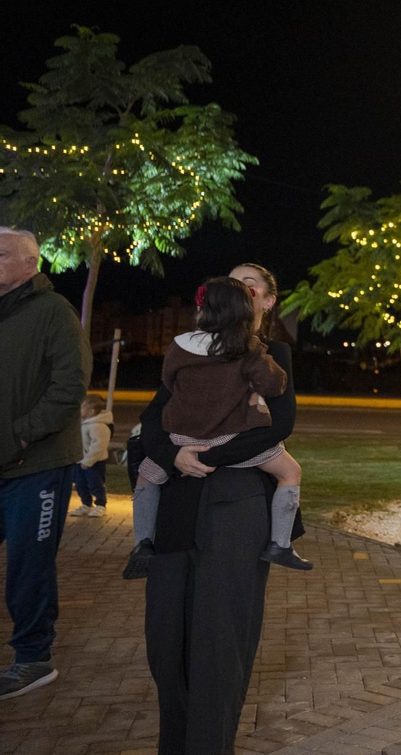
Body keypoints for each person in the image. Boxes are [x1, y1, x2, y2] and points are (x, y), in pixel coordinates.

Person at [139, 261, 305, 753]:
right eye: (232, 283)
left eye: (249, 283)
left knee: (220, 637)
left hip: (237, 504)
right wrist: (173, 455)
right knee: (167, 636)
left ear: (266, 301)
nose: (240, 289)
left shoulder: (272, 354)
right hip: (178, 503)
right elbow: (153, 419)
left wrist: (206, 455)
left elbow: (279, 427)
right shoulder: (191, 349)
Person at [127, 277, 308, 575]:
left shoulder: (180, 345)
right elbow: (273, 385)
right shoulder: (247, 347)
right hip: (226, 437)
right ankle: (280, 543)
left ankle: (143, 542)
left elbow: (169, 380)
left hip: (181, 437)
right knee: (290, 472)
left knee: (148, 476)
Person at [0, 226, 89, 701]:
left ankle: (34, 657)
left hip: (37, 465)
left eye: (0, 254)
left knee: (29, 566)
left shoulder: (54, 312)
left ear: (30, 264)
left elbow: (70, 385)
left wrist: (19, 433)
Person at [70, 395, 112, 517]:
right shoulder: (84, 424)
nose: (79, 410)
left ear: (90, 411)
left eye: (82, 408)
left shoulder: (98, 426)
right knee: (80, 484)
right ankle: (86, 504)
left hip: (94, 463)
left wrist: (89, 461)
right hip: (80, 461)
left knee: (96, 483)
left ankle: (100, 505)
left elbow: (98, 446)